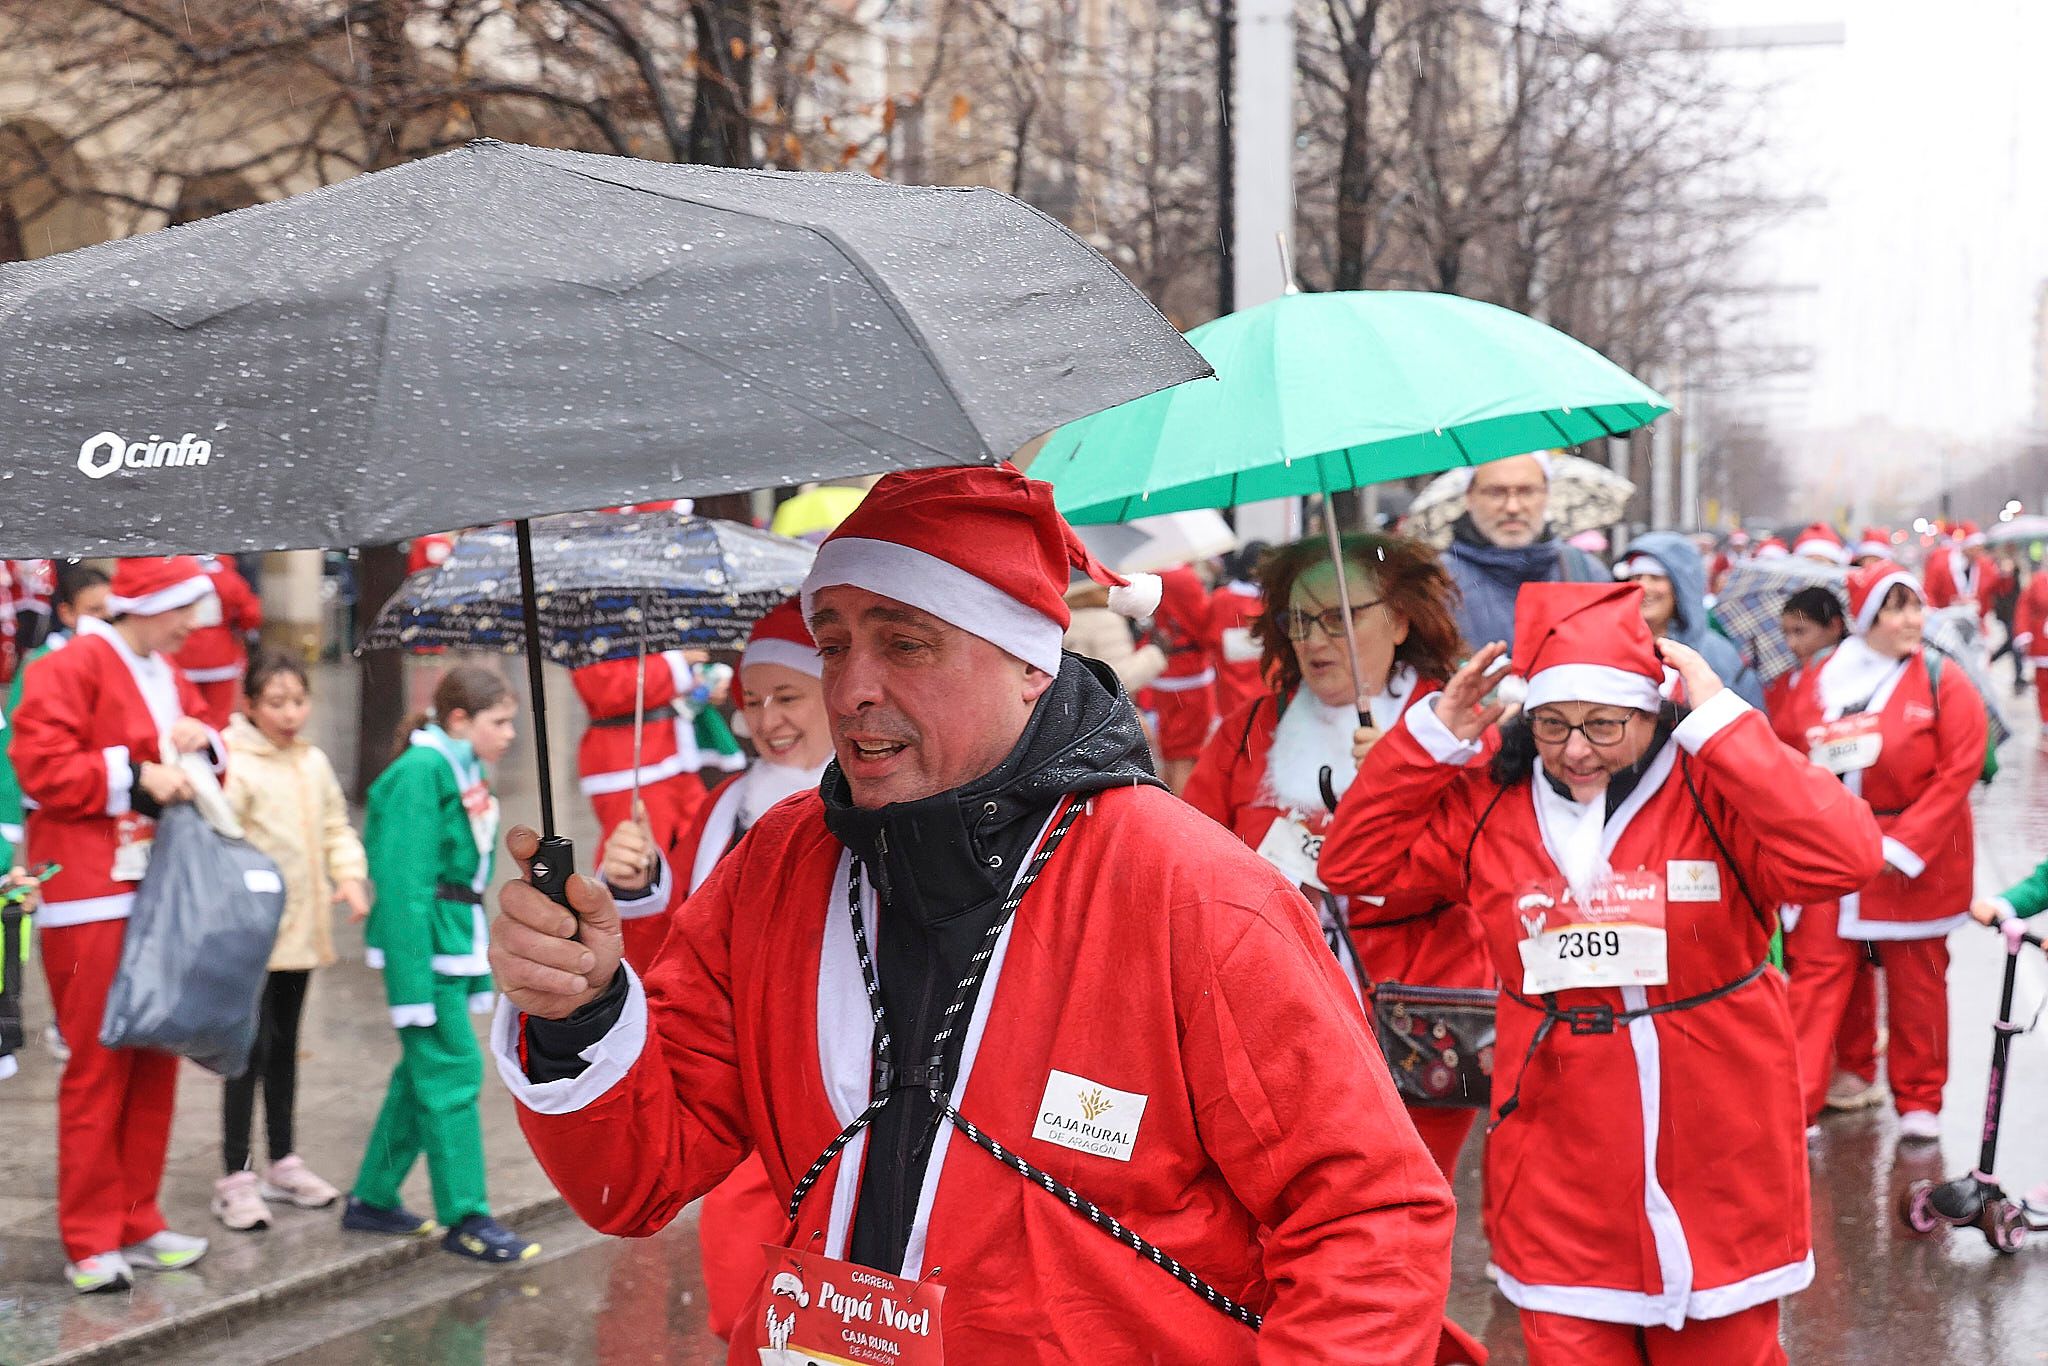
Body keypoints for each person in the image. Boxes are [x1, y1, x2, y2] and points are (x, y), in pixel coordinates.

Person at [488, 465, 1464, 1363]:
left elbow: (1367, 1220)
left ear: (1028, 662)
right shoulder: (780, 864)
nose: (851, 687)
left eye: (905, 643)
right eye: (832, 643)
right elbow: (635, 1174)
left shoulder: (1192, 892)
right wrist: (577, 1009)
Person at [1320, 581, 1882, 1365]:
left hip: (1721, 1136)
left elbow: (1848, 856)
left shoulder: (1711, 788)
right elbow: (1355, 860)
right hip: (1559, 1147)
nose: (1576, 748)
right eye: (1551, 724)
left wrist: (1725, 725)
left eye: (1604, 724)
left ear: (1654, 715)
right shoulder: (1493, 805)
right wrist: (1427, 743)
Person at [1184, 534, 1489, 1179]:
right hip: (1277, 1005)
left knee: (1401, 1197)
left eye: (1338, 616)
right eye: (1298, 620)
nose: (1313, 639)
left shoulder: (1453, 723)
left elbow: (1473, 866)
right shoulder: (1250, 728)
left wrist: (1400, 777)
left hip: (1413, 1014)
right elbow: (1193, 859)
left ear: (1400, 619)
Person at [602, 599, 834, 1342]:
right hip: (742, 1094)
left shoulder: (881, 805)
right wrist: (636, 890)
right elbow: (674, 958)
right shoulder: (724, 806)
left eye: (788, 697)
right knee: (744, 1307)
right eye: (752, 702)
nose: (768, 721)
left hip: (839, 1095)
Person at [12, 556, 227, 1294]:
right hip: (89, 894)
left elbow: (207, 745)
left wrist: (204, 745)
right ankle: (91, 1236)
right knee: (100, 1064)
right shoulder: (68, 665)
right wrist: (134, 777)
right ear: (150, 604)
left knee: (155, 1054)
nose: (194, 626)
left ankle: (139, 1218)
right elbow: (38, 765)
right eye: (184, 610)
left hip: (159, 890)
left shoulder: (167, 669)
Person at [1780, 561, 1987, 1141]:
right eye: (1896, 608)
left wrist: (1904, 845)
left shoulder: (1943, 680)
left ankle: (1920, 1099)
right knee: (1818, 975)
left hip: (1910, 858)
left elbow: (1958, 771)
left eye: (1916, 606)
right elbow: (1789, 753)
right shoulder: (1824, 676)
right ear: (1867, 617)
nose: (1912, 620)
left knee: (1917, 981)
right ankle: (1797, 1104)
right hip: (1831, 854)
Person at [343, 666, 539, 1263]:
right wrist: (411, 983)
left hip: (448, 937)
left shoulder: (461, 767)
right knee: (453, 1071)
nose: (509, 733)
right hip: (423, 946)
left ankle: (373, 1196)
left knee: (421, 1073)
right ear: (459, 720)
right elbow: (402, 884)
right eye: (498, 721)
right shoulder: (422, 772)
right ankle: (467, 1216)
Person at [211, 654, 369, 1232]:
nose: (289, 713)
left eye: (298, 701)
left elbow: (334, 826)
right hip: (251, 936)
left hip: (300, 934)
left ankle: (283, 1160)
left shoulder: (311, 761)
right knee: (244, 1053)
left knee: (284, 1050)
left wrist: (349, 876)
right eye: (275, 703)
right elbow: (222, 839)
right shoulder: (236, 765)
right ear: (248, 706)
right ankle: (236, 1174)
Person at [1763, 589, 1883, 1114]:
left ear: (1835, 626)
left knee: (1822, 963)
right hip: (1799, 823)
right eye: (1787, 632)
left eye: (1802, 632)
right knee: (1842, 960)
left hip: (1826, 828)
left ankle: (1801, 1096)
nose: (1792, 644)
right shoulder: (1791, 679)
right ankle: (1854, 1067)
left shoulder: (1853, 678)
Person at [570, 649, 719, 915]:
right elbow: (606, 686)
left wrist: (700, 681)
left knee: (699, 855)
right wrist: (677, 663)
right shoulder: (594, 626)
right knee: (634, 866)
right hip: (631, 762)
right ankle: (636, 953)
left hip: (673, 754)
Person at [1439, 452, 1606, 653]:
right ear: (1469, 496)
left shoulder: (1588, 574)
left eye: (1526, 491)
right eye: (1496, 492)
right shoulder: (1437, 583)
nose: (1512, 507)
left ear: (1547, 493)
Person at [1611, 533, 1765, 708]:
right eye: (1636, 577)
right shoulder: (1612, 646)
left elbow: (1743, 722)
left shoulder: (1717, 654)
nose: (1643, 587)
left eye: (1656, 577)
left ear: (1681, 587)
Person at [1142, 562, 1220, 792]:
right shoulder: (1183, 578)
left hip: (1165, 672)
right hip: (1189, 676)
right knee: (1187, 757)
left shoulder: (1153, 572)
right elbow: (1204, 626)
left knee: (1170, 754)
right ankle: (1182, 816)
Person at [172, 554, 263, 732]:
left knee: (182, 717)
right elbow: (251, 615)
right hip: (220, 659)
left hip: (181, 656)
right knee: (218, 721)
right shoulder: (229, 577)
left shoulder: (177, 575)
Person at [1060, 576, 1166, 696]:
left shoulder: (1067, 616)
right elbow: (1121, 679)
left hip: (1078, 699)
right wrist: (1156, 652)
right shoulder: (1104, 619)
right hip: (1103, 702)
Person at [1204, 542, 1269, 714]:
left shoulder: (1220, 598)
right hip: (1263, 688)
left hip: (1229, 690)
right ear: (1252, 570)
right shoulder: (1267, 603)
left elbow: (1209, 640)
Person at [2015, 560, 2048, 731]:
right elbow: (2024, 607)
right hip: (2043, 642)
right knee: (2043, 682)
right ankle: (2046, 717)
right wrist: (2024, 633)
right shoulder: (2039, 581)